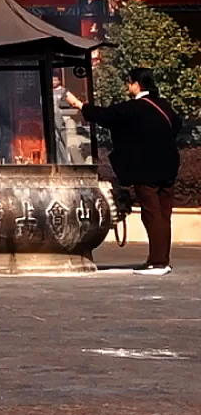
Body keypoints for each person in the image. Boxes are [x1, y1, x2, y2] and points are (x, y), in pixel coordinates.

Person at [73, 68, 180, 274]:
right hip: (168, 166)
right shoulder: (164, 106)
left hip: (146, 169)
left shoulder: (135, 108)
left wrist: (81, 106)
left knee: (151, 214)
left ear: (136, 85)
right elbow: (176, 125)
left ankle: (157, 262)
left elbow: (106, 116)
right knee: (163, 214)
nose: (127, 87)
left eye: (129, 83)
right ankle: (161, 259)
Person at [53, 72, 92, 166]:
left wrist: (83, 108)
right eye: (52, 79)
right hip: (51, 121)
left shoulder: (64, 91)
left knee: (64, 142)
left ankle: (65, 162)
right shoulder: (47, 91)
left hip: (63, 122)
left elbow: (74, 102)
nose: (53, 82)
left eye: (55, 79)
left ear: (59, 80)